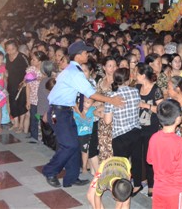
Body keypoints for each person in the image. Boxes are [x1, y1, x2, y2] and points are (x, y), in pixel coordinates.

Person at [42, 41, 124, 189]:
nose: (88, 54)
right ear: (78, 55)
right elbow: (91, 94)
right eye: (85, 52)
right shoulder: (74, 72)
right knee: (69, 145)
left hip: (64, 111)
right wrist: (112, 100)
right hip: (58, 113)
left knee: (74, 144)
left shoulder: (71, 70)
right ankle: (50, 171)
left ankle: (71, 177)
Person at [147, 99, 182, 209]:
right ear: (178, 119)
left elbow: (150, 160)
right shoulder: (180, 142)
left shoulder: (154, 138)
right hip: (176, 191)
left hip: (159, 190)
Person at [103, 67, 143, 196]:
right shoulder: (135, 92)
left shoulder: (111, 96)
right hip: (136, 131)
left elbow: (107, 120)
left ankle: (122, 188)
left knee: (121, 165)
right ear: (128, 79)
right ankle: (137, 185)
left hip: (120, 135)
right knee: (136, 160)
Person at [135, 62, 163, 197]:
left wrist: (145, 105)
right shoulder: (136, 88)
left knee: (149, 157)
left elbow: (161, 109)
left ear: (143, 75)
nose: (135, 75)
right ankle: (138, 182)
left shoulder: (156, 89)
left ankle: (151, 184)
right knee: (137, 155)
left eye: (137, 73)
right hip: (136, 126)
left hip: (151, 128)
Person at [5, 39, 29, 133]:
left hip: (21, 85)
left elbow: (29, 70)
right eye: (8, 49)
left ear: (17, 48)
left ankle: (21, 125)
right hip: (11, 84)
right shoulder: (6, 57)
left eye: (13, 49)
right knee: (13, 104)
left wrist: (25, 82)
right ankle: (15, 123)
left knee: (21, 104)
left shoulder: (22, 57)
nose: (10, 51)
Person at [74, 97, 96, 175]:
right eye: (84, 101)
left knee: (84, 151)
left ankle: (84, 167)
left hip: (86, 134)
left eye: (88, 102)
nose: (85, 104)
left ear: (92, 103)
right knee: (75, 150)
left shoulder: (93, 109)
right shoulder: (76, 109)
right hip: (76, 133)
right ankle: (75, 165)